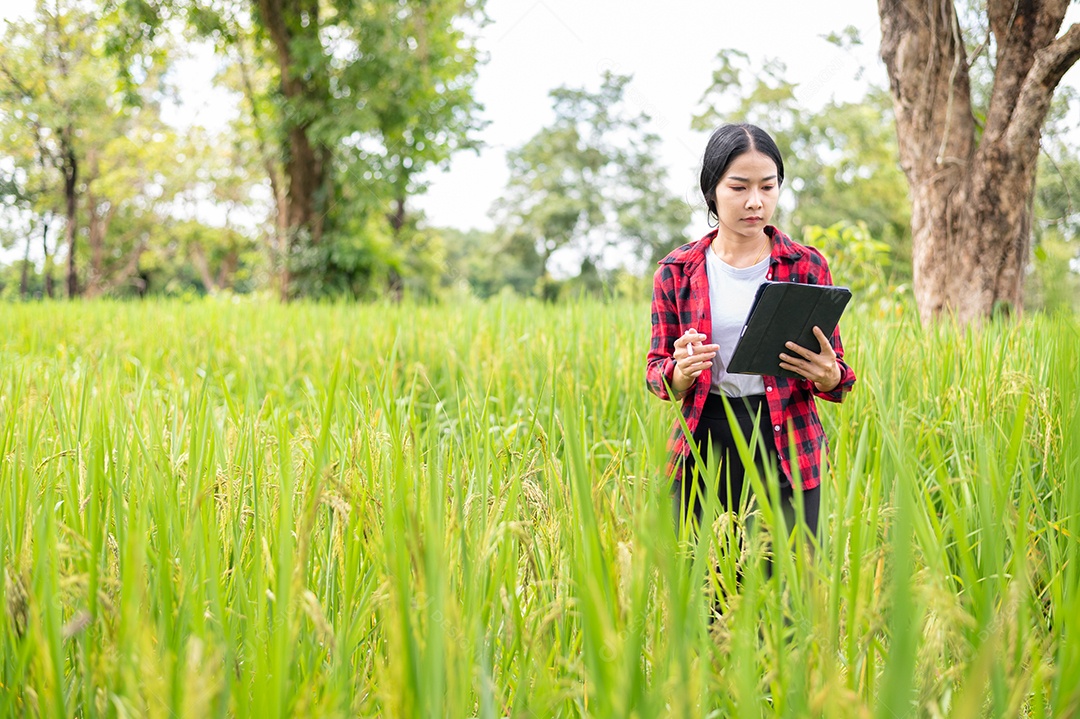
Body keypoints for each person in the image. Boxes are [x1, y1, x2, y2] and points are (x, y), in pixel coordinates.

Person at [645, 122, 856, 565]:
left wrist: (829, 373)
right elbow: (656, 374)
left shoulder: (806, 266)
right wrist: (679, 372)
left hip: (786, 439)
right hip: (705, 441)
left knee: (787, 597)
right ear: (712, 190)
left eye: (768, 186)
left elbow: (836, 374)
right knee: (707, 596)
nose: (755, 201)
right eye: (739, 187)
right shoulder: (676, 271)